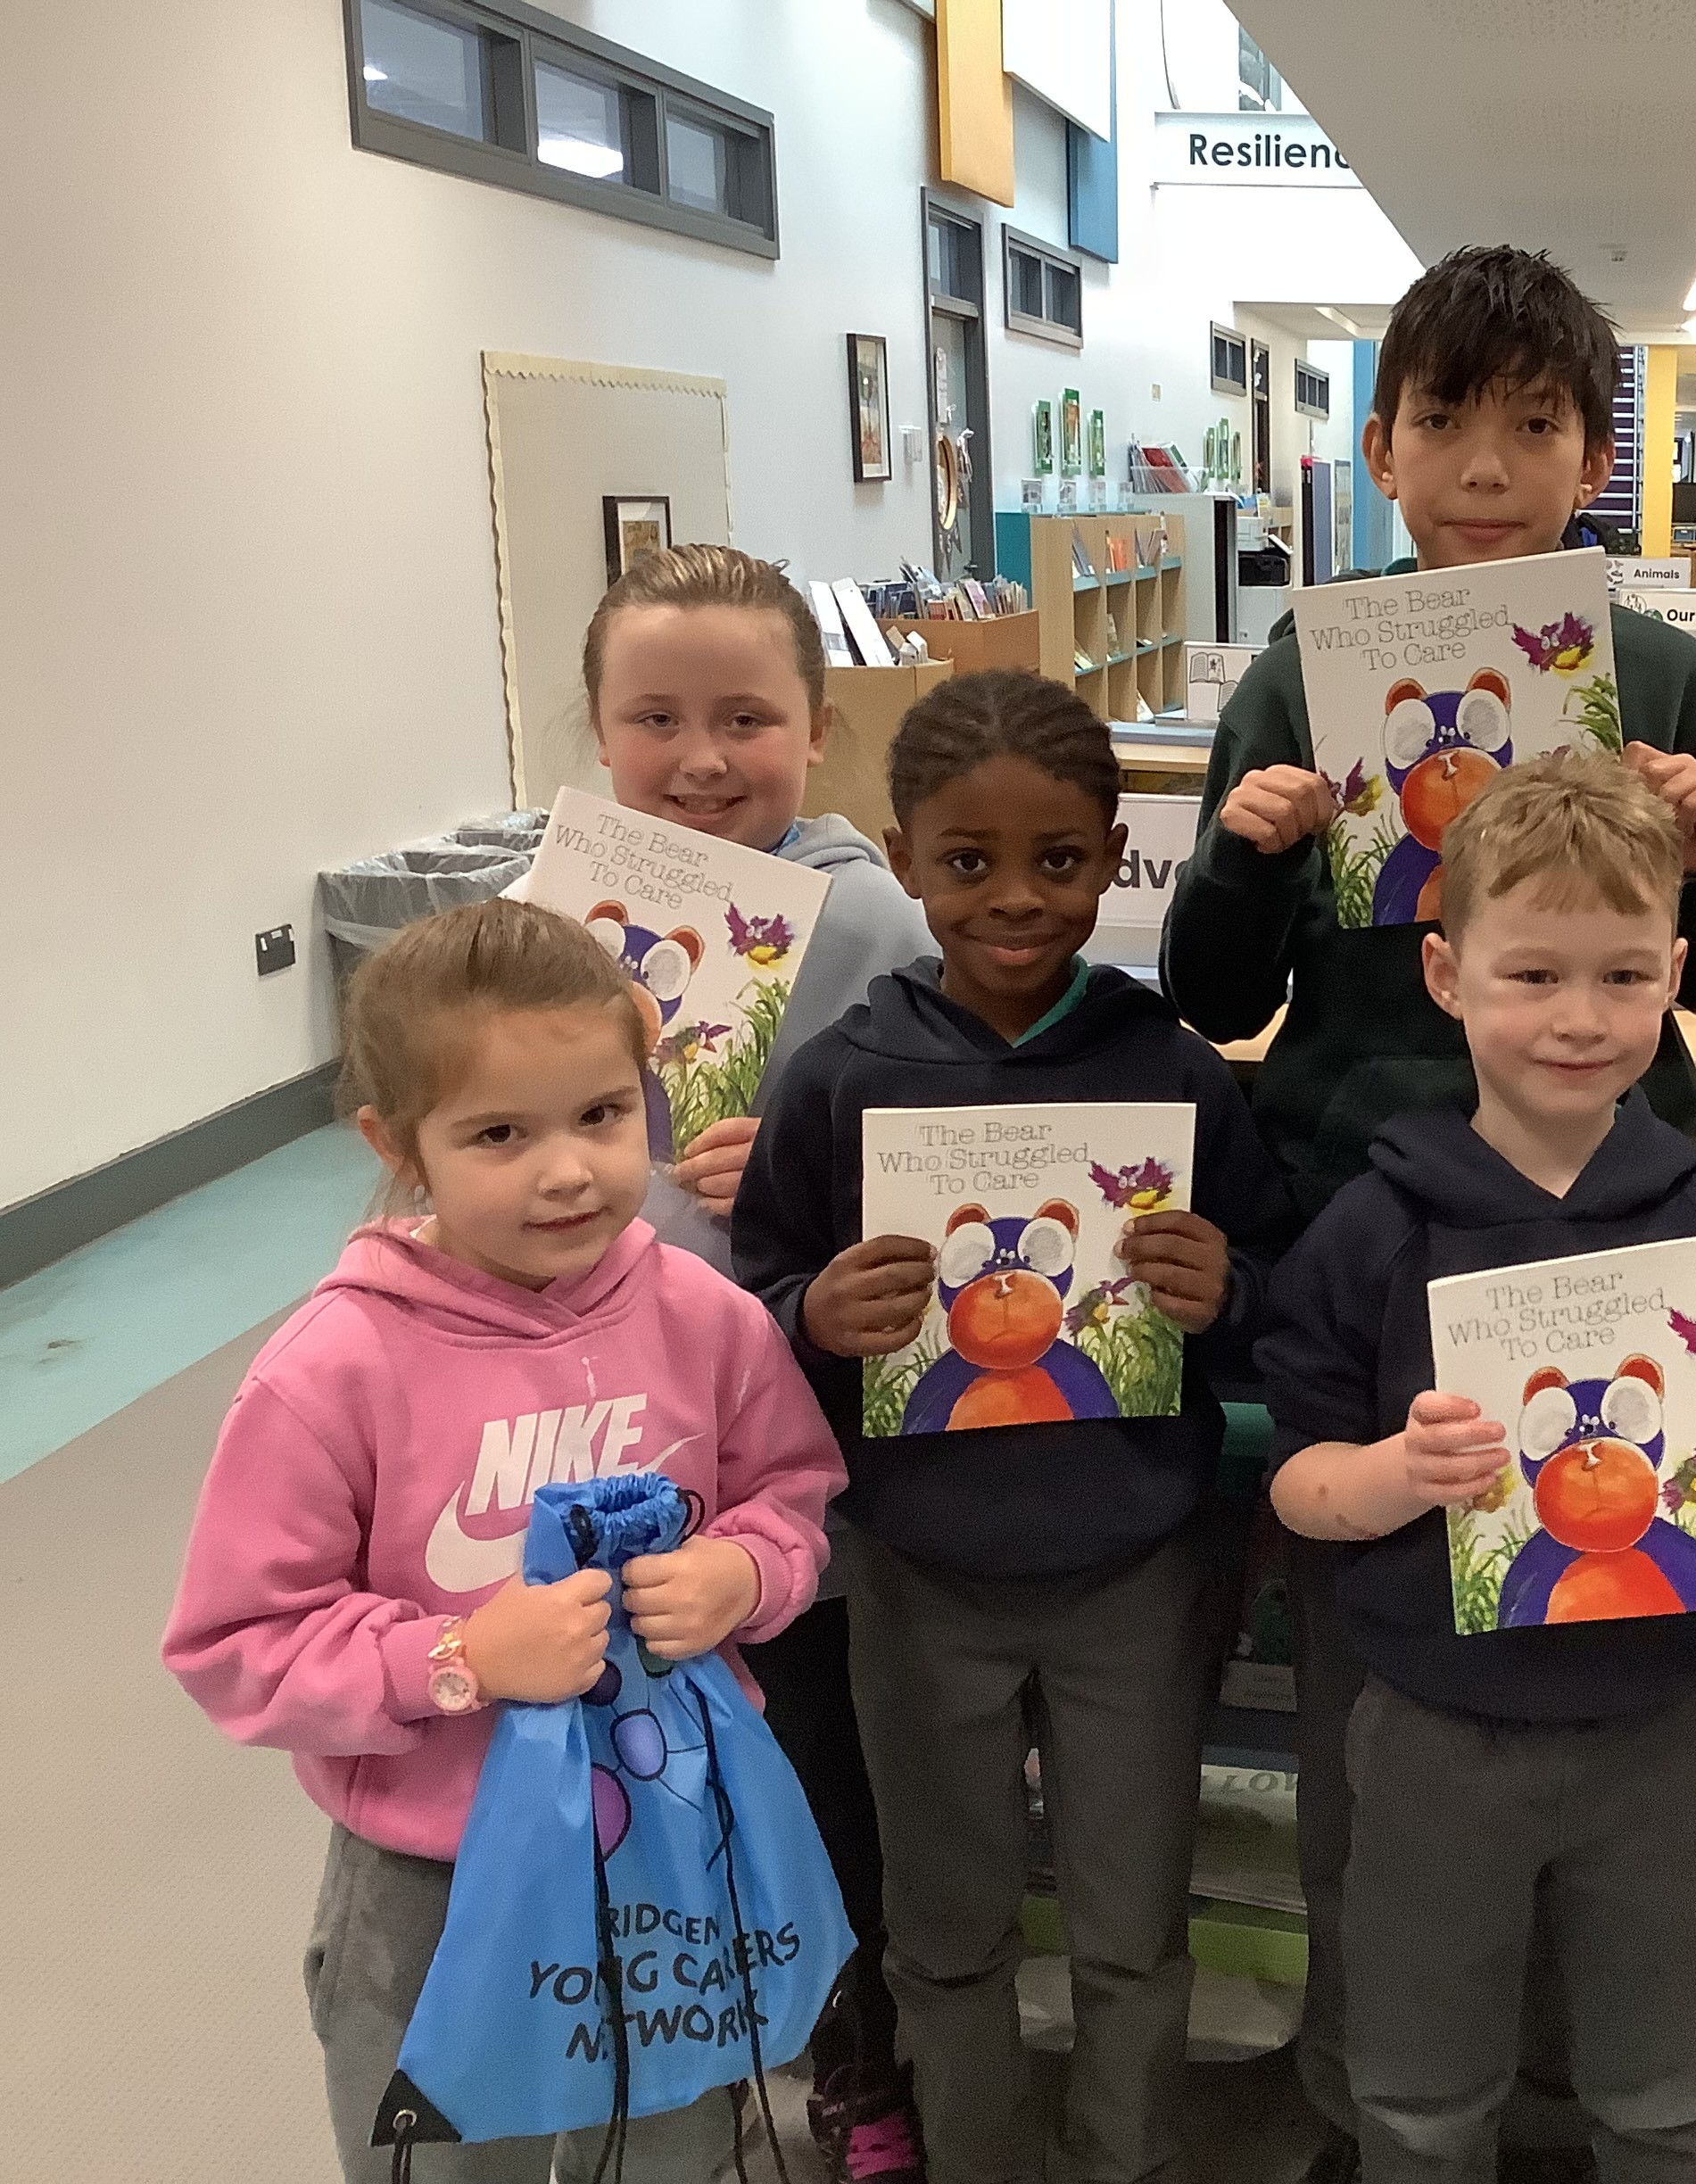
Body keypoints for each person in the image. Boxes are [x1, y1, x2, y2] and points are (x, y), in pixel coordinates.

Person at [1162, 242, 1696, 2175]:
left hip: (1618, 1223)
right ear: (1381, 445)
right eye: (1447, 421)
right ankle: (1383, 2088)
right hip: (1384, 1213)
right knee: (1396, 1691)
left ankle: (1586, 2069)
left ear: (1595, 455)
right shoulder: (1304, 662)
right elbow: (1217, 993)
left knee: (1613, 1643)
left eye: (1537, 427)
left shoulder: (1658, 670)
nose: (1491, 465)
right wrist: (1258, 856)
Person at [161, 898, 843, 2184]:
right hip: (437, 1877)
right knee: (451, 2161)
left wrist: (744, 1573)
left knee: (672, 2142)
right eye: (497, 1134)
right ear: (397, 1144)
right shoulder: (335, 1370)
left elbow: (792, 1497)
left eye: (600, 1114)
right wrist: (459, 1655)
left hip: (671, 1842)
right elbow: (237, 1644)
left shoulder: (706, 1318)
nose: (569, 1169)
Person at [732, 670, 1295, 2184]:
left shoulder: (1170, 1070)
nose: (1014, 900)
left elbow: (1287, 1299)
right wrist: (813, 1317)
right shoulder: (839, 1077)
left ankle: (1131, 2159)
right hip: (921, 1577)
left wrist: (1223, 1288)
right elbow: (760, 1302)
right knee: (947, 1926)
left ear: (1116, 856)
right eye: (966, 862)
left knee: (1130, 1926)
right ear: (904, 858)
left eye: (1059, 861)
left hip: (1138, 1574)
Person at [1259, 749, 1696, 2184]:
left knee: (1654, 2092)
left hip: (1670, 1732)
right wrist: (1396, 1474)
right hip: (1440, 1732)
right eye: (1532, 977)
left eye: (1624, 977)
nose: (1578, 1019)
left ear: (1677, 975)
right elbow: (1297, 1485)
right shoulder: (1371, 1233)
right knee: (1420, 2098)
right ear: (1448, 977)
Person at [583, 542, 936, 2179]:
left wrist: (807, 1177)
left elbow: (962, 1160)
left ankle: (861, 2052)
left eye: (746, 716)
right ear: (597, 733)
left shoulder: (868, 916)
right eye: (655, 717)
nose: (702, 757)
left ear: (816, 725)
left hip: (803, 1428)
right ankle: (684, 2036)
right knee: (642, 1749)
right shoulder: (566, 911)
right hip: (616, 1416)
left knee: (812, 1754)